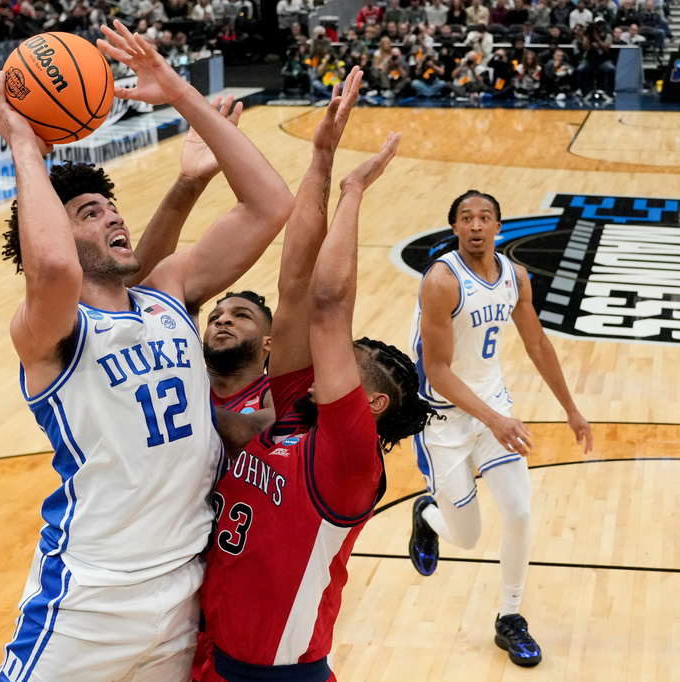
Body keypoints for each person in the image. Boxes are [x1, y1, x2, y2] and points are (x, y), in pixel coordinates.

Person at [0, 19, 294, 681]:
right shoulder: (48, 331)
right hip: (91, 600)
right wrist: (23, 142)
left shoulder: (167, 294)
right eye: (90, 214)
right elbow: (48, 267)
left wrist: (178, 93)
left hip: (186, 585)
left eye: (110, 206)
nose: (114, 217)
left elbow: (271, 205)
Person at [199, 69, 434, 681]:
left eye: (350, 360)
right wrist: (321, 159)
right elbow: (296, 283)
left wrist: (354, 190)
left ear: (373, 403)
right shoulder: (294, 409)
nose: (331, 357)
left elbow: (329, 306)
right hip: (207, 656)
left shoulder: (352, 460)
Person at [407, 189, 594, 668]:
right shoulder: (442, 282)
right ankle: (427, 515)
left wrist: (572, 408)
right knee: (467, 537)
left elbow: (537, 344)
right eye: (466, 218)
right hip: (441, 417)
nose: (475, 225)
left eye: (484, 217)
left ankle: (510, 617)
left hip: (493, 409)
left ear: (498, 227)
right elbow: (441, 370)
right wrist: (495, 418)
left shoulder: (516, 277)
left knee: (519, 512)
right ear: (454, 228)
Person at [203, 291, 273, 415]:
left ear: (268, 343)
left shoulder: (278, 394)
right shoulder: (183, 387)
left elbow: (256, 427)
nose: (222, 320)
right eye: (214, 317)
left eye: (242, 315)